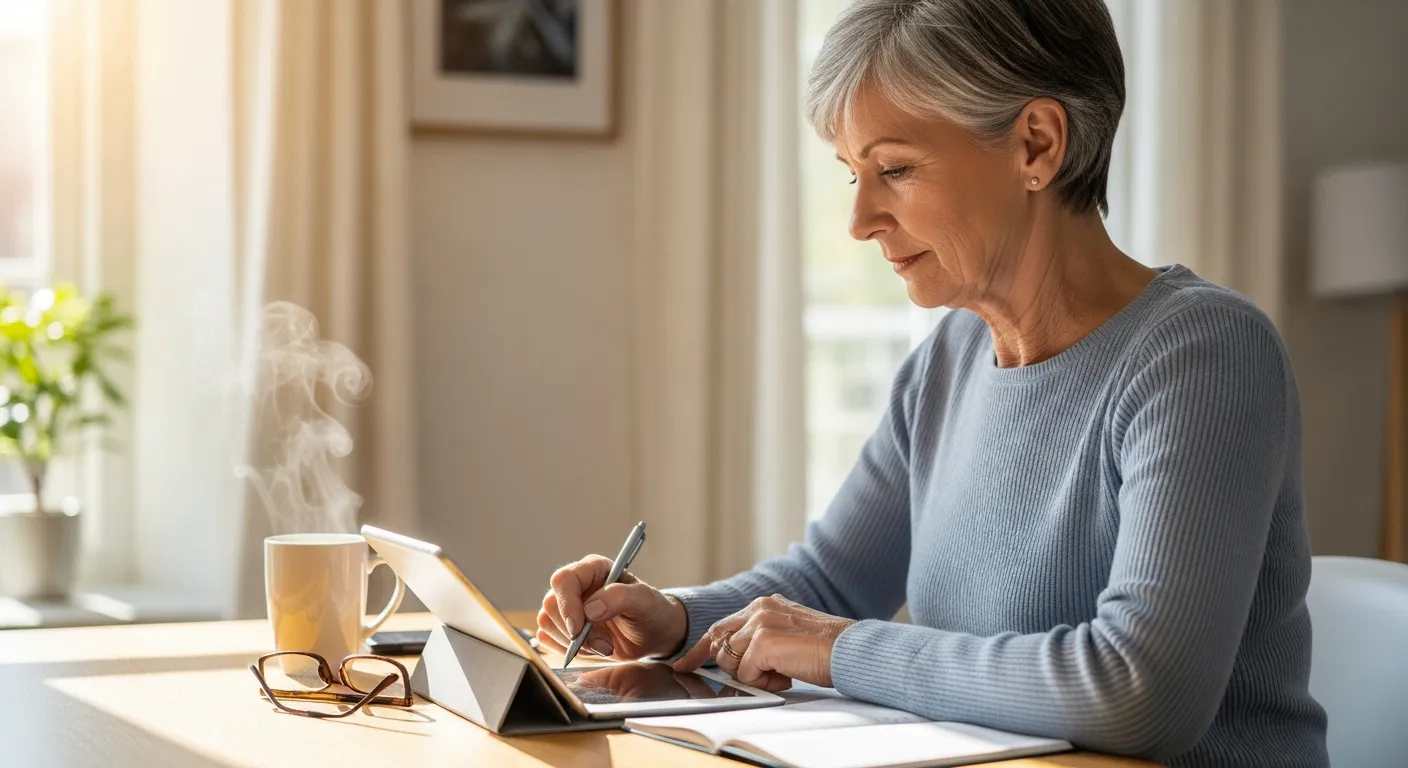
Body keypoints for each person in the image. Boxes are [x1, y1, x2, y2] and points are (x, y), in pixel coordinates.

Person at [536, 1, 1328, 765]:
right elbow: (831, 582)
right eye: (854, 174)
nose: (861, 220)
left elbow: (1139, 690)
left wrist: (840, 649)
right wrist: (675, 619)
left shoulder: (1203, 356)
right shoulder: (949, 358)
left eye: (896, 168)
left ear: (1037, 146)